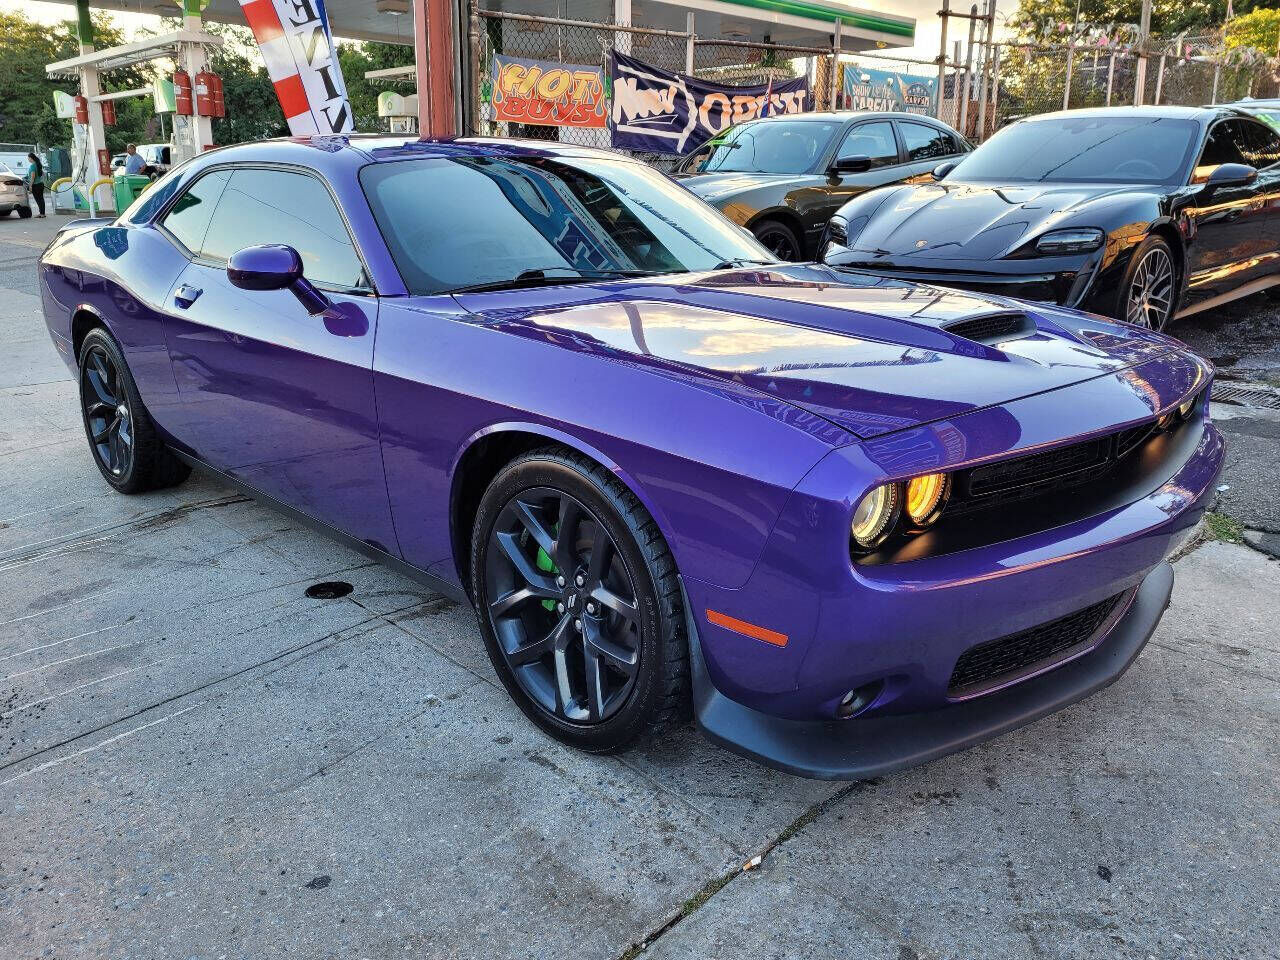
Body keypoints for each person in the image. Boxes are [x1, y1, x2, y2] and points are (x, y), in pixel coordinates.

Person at [26, 152, 45, 218]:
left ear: (31, 158)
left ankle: (41, 214)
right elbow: (43, 174)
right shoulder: (38, 164)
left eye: (28, 158)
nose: (28, 159)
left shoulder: (32, 166)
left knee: (38, 200)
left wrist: (30, 186)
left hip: (35, 185)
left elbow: (32, 177)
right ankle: (42, 213)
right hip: (41, 184)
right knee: (41, 199)